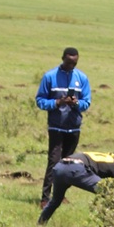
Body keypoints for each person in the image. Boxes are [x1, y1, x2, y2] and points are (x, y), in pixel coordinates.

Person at [35, 47, 91, 209]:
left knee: (68, 165)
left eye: (74, 63)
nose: (71, 66)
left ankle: (59, 197)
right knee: (54, 162)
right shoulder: (50, 76)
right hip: (56, 127)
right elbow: (40, 100)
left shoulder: (82, 78)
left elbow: (86, 102)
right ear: (62, 59)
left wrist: (76, 103)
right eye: (68, 63)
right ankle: (45, 198)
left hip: (73, 128)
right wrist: (57, 103)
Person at [37, 150, 114, 224]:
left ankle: (40, 223)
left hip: (59, 167)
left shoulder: (103, 156)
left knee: (55, 201)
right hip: (76, 169)